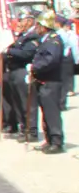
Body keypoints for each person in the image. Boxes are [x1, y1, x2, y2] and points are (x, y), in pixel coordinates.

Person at [29, 12, 65, 154]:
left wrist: (35, 67)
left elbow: (51, 60)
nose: (37, 27)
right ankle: (49, 139)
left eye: (39, 25)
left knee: (52, 112)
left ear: (45, 26)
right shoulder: (45, 40)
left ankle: (57, 141)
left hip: (51, 81)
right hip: (43, 81)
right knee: (45, 112)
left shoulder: (53, 40)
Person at [5, 15, 40, 142]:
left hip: (23, 70)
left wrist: (10, 51)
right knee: (17, 102)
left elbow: (27, 53)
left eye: (22, 20)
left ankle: (31, 130)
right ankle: (23, 127)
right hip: (14, 71)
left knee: (27, 103)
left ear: (30, 21)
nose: (20, 23)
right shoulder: (21, 36)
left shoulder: (33, 37)